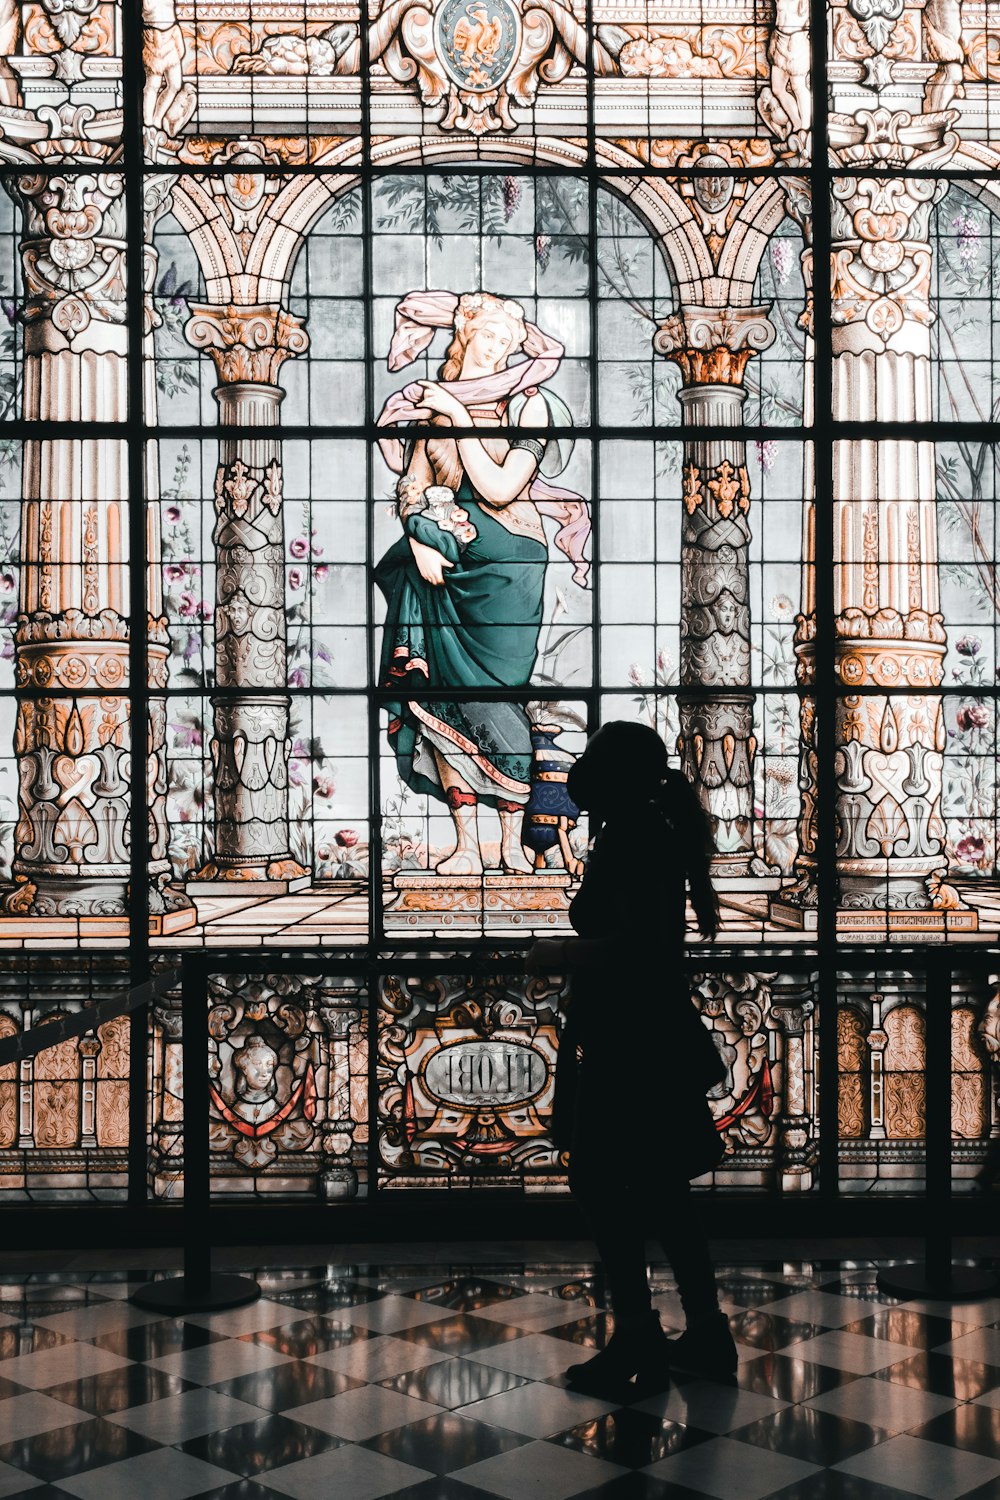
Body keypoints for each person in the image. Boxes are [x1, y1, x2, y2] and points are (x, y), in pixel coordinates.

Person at [526, 720, 738, 1390]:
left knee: (599, 1181)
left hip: (631, 1044)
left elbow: (639, 947)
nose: (579, 769)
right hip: (643, 1036)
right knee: (661, 1189)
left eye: (590, 759)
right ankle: (701, 1333)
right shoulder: (640, 831)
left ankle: (639, 1338)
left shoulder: (637, 838)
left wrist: (560, 953)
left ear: (615, 775)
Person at [375, 290, 589, 875]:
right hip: (445, 564)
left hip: (510, 569)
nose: (498, 348)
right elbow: (413, 488)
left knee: (502, 700)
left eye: (508, 340)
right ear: (465, 337)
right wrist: (419, 538)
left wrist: (461, 415)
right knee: (441, 699)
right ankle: (468, 843)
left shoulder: (529, 406)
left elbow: (499, 488)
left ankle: (514, 843)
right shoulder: (432, 419)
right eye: (489, 335)